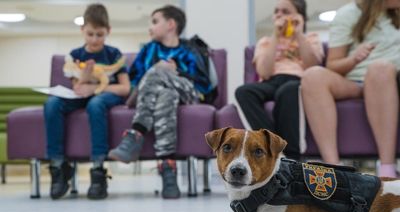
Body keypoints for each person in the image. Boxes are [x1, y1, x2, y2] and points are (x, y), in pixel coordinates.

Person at [108, 5, 210, 199]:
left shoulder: (190, 49)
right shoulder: (148, 49)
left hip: (189, 92)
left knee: (159, 69)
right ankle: (168, 169)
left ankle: (136, 133)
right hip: (160, 95)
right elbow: (134, 81)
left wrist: (175, 70)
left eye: (155, 22)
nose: (150, 27)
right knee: (166, 95)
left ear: (171, 24)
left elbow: (202, 83)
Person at [301, 0, 400, 177]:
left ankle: (387, 169)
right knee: (312, 76)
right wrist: (355, 58)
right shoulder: (348, 14)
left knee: (380, 69)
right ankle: (335, 169)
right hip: (356, 82)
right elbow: (333, 65)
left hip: (391, 80)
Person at [44, 3, 130, 199]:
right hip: (81, 95)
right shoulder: (76, 55)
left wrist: (95, 88)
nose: (94, 39)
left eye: (99, 34)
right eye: (90, 34)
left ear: (108, 31)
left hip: (105, 96)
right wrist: (85, 75)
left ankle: (98, 171)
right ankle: (58, 168)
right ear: (82, 30)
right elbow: (77, 86)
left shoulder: (113, 54)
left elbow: (124, 88)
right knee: (52, 104)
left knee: (96, 103)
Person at [235, 0, 323, 160]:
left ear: (299, 15)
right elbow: (265, 72)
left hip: (298, 81)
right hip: (271, 81)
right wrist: (275, 36)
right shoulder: (265, 42)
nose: (279, 15)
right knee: (243, 92)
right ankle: (273, 147)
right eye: (276, 11)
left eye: (285, 11)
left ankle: (293, 155)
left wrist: (298, 33)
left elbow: (312, 66)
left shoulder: (310, 38)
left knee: (288, 90)